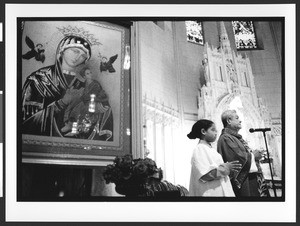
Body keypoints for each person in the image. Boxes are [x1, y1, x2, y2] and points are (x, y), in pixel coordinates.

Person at [21, 34, 113, 140]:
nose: (78, 58)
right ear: (62, 50)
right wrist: (62, 103)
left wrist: (100, 104)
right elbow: (26, 122)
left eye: (83, 56)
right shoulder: (38, 79)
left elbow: (104, 112)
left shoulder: (90, 83)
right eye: (75, 51)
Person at [217, 110, 268, 197]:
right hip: (245, 181)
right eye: (237, 118)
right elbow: (236, 158)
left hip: (251, 178)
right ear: (229, 121)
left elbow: (242, 153)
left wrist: (253, 153)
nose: (240, 120)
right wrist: (253, 156)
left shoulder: (235, 137)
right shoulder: (226, 138)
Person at [187, 119, 242, 197]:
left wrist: (230, 170)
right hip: (210, 193)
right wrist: (226, 168)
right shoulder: (199, 149)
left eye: (216, 130)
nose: (216, 133)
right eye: (213, 130)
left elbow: (219, 172)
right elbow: (204, 176)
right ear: (203, 131)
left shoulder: (211, 150)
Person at [61, 67, 111, 139]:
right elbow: (84, 95)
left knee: (78, 110)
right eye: (87, 73)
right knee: (75, 109)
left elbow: (92, 96)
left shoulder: (95, 84)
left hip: (97, 103)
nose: (90, 74)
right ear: (84, 76)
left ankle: (74, 130)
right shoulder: (85, 84)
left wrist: (84, 98)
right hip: (88, 102)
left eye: (90, 72)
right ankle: (71, 126)